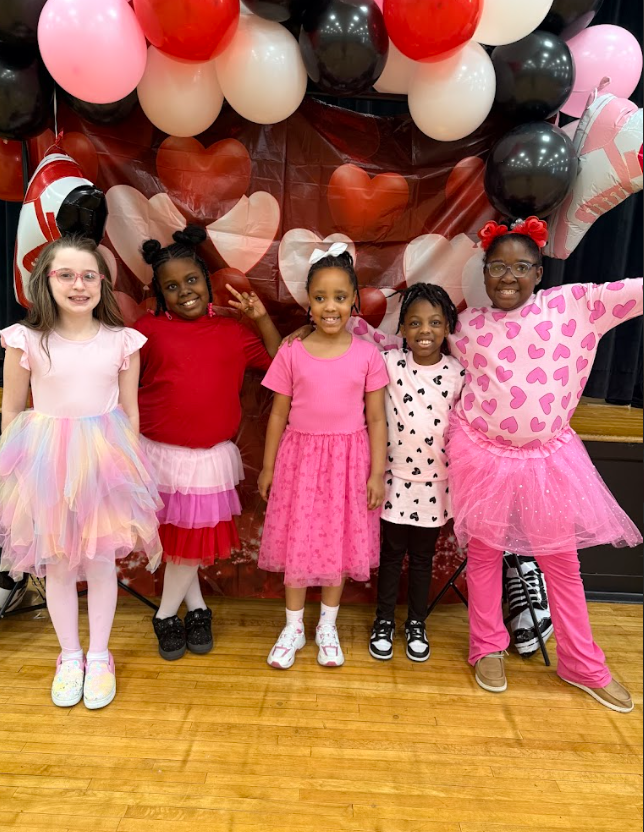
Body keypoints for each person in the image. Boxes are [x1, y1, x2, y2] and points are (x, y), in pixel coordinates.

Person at [346, 217, 642, 713]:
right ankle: (487, 645)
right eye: (497, 267)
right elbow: (414, 348)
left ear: (540, 271)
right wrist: (349, 330)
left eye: (520, 267)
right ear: (483, 273)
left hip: (549, 460)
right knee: (483, 558)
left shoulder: (577, 305)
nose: (508, 276)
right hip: (481, 455)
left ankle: (583, 663)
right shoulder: (471, 327)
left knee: (562, 565)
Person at [0, 236, 161, 710]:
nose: (78, 284)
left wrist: (130, 468)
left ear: (103, 284)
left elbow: (130, 411)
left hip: (103, 463)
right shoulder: (24, 340)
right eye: (66, 275)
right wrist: (14, 475)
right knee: (58, 566)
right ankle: (69, 656)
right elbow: (11, 410)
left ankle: (99, 655)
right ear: (44, 282)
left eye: (89, 275)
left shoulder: (121, 341)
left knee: (99, 561)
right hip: (46, 463)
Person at [136, 225, 282, 661]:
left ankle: (168, 614)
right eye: (172, 287)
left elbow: (278, 361)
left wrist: (258, 318)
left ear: (207, 280)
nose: (185, 292)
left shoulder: (232, 332)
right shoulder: (146, 330)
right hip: (159, 456)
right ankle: (194, 609)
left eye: (192, 280)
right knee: (180, 543)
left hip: (207, 461)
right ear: (160, 294)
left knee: (188, 543)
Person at [259, 245, 389, 670]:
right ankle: (293, 626)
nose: (329, 306)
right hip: (300, 460)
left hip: (348, 462)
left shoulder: (368, 354)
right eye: (320, 297)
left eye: (339, 297)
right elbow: (278, 412)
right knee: (298, 539)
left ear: (354, 301)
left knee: (337, 541)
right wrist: (267, 465)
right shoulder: (292, 352)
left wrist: (376, 472)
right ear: (308, 302)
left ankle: (327, 625)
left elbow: (375, 417)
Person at [366, 284, 463, 663]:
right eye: (416, 322)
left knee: (422, 559)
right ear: (403, 328)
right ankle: (384, 621)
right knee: (391, 555)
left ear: (446, 328)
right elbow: (354, 335)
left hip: (436, 484)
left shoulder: (457, 373)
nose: (425, 330)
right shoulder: (389, 363)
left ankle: (416, 623)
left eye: (435, 322)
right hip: (395, 480)